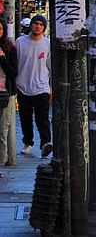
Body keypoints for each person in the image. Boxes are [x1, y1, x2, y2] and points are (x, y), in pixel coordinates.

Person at [15, 14, 52, 158]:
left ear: (44, 27)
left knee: (42, 117)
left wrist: (51, 87)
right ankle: (28, 142)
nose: (38, 27)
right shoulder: (20, 42)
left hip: (41, 86)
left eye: (41, 24)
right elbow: (15, 63)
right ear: (31, 25)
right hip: (23, 86)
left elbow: (50, 66)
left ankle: (45, 143)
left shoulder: (47, 43)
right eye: (36, 23)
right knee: (25, 117)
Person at [0, 18, 19, 171]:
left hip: (5, 94)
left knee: (2, 131)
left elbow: (13, 73)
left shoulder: (10, 48)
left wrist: (1, 58)